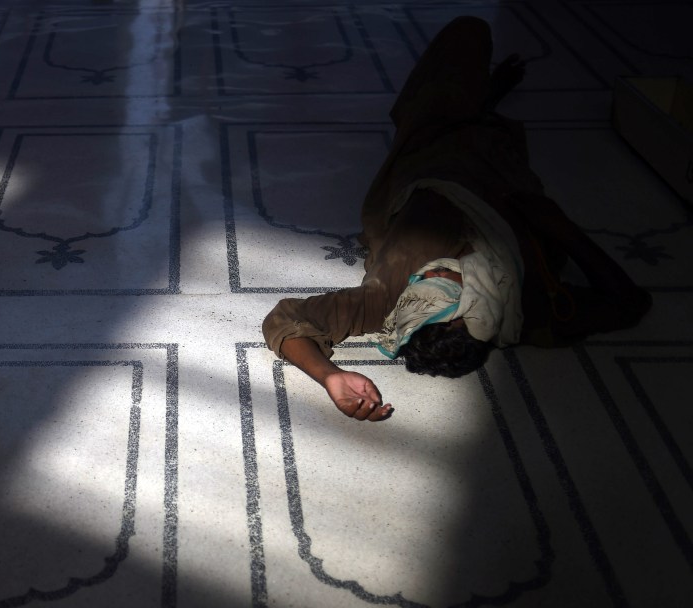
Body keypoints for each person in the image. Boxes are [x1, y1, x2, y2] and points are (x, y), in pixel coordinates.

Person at [261, 16, 652, 422]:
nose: (443, 273)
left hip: (429, 146)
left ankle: (477, 100)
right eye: (456, 285)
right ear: (486, 308)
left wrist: (330, 376)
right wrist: (563, 230)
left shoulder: (388, 299)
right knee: (475, 63)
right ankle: (484, 103)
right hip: (495, 159)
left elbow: (286, 319)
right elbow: (629, 304)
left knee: (467, 35)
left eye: (432, 284)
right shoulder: (529, 305)